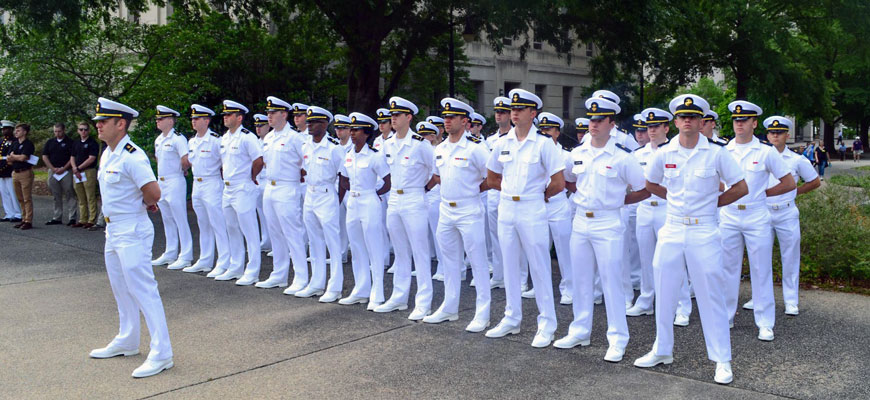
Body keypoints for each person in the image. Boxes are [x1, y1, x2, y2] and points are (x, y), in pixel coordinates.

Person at [633, 94, 747, 385]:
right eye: (683, 117)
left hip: (704, 230)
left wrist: (713, 203)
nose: (687, 121)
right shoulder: (664, 153)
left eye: (693, 117)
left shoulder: (716, 153)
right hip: (672, 228)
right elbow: (650, 184)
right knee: (664, 289)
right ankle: (662, 349)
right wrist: (672, 199)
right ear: (675, 121)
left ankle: (722, 359)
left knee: (711, 296)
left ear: (701, 122)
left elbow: (741, 186)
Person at [554, 97, 648, 363]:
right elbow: (569, 181)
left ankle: (618, 338)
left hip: (609, 222)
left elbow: (642, 188)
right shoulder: (578, 153)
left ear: (611, 123)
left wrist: (619, 202)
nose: (592, 124)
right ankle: (580, 330)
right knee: (581, 279)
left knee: (612, 281)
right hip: (582, 221)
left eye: (599, 120)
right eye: (591, 119)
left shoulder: (622, 157)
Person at [87, 97, 173, 378]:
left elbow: (154, 193)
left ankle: (162, 353)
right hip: (113, 230)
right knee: (120, 287)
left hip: (132, 229)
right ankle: (128, 338)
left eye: (103, 121)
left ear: (120, 124)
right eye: (98, 121)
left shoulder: (132, 155)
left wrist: (145, 204)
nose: (97, 125)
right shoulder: (108, 153)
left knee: (143, 290)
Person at [484, 88, 564, 348]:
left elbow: (558, 182)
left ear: (533, 113)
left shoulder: (543, 143)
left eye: (520, 109)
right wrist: (510, 193)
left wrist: (536, 195)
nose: (514, 112)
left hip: (532, 208)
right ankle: (511, 318)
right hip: (507, 207)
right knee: (508, 265)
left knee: (539, 267)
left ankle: (547, 323)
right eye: (512, 109)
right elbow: (492, 177)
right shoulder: (502, 142)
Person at [722, 100, 794, 342]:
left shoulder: (765, 151)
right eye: (736, 120)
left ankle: (765, 323)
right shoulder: (723, 150)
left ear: (754, 123)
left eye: (744, 120)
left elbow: (789, 182)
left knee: (761, 270)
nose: (739, 124)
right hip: (729, 215)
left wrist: (764, 193)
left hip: (756, 215)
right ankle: (726, 316)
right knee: (728, 269)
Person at [422, 98, 492, 332]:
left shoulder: (475, 148)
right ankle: (449, 307)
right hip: (445, 209)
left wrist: (472, 191)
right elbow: (438, 176)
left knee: (478, 262)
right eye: (445, 117)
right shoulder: (440, 149)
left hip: (469, 209)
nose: (447, 120)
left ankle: (483, 313)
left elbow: (490, 178)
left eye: (452, 117)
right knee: (449, 261)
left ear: (465, 121)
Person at [376, 97, 434, 320]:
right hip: (395, 200)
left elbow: (435, 171)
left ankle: (424, 302)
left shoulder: (420, 144)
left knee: (420, 253)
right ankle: (399, 298)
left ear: (409, 117)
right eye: (392, 115)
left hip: (413, 199)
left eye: (397, 115)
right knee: (400, 252)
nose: (393, 118)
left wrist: (424, 188)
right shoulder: (388, 144)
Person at [762, 116, 820, 316]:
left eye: (779, 133)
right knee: (760, 258)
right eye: (771, 132)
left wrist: (796, 192)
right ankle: (761, 297)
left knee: (790, 257)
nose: (774, 136)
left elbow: (814, 181)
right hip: (763, 212)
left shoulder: (796, 159)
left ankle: (791, 301)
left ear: (787, 135)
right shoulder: (760, 155)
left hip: (786, 211)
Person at [338, 112, 391, 309]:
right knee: (357, 248)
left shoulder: (375, 156)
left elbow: (388, 180)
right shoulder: (348, 155)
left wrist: (375, 192)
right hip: (353, 202)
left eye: (356, 130)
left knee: (374, 248)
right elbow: (343, 178)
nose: (352, 133)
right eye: (351, 129)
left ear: (366, 133)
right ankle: (361, 289)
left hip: (369, 200)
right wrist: (350, 192)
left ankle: (378, 292)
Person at [254, 96, 307, 290]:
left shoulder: (294, 137)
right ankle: (279, 274)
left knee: (293, 233)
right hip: (270, 186)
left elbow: (306, 163)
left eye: (273, 113)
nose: (269, 116)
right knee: (275, 233)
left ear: (284, 114)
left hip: (287, 187)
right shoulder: (268, 137)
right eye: (268, 113)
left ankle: (301, 277)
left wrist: (299, 176)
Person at [626, 108, 673, 319]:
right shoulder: (638, 154)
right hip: (645, 208)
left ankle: (679, 305)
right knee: (646, 259)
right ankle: (646, 300)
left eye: (656, 126)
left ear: (666, 128)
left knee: (670, 260)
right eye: (649, 127)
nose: (652, 130)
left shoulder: (674, 151)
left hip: (667, 208)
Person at [215, 100, 265, 284]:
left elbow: (259, 159)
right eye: (225, 115)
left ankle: (252, 272)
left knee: (249, 230)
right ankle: (235, 267)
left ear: (239, 117)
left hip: (243, 187)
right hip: (228, 188)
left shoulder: (247, 137)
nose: (225, 118)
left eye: (229, 115)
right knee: (232, 228)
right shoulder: (225, 138)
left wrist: (251, 176)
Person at [300, 106, 345, 302]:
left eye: (314, 122)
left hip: (327, 195)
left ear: (325, 124)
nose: (309, 125)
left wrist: (336, 199)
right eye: (308, 122)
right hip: (310, 195)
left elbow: (343, 177)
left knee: (333, 244)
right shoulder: (305, 145)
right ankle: (316, 283)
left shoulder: (334, 148)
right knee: (314, 241)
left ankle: (335, 287)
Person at [187, 104, 231, 275]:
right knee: (203, 224)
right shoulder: (192, 141)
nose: (193, 121)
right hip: (197, 184)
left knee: (218, 224)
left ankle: (224, 261)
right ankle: (205, 260)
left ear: (207, 120)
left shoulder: (215, 140)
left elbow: (224, 163)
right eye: (192, 119)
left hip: (212, 183)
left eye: (197, 119)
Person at [536, 112, 574, 305]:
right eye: (542, 129)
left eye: (549, 129)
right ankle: (540, 287)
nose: (545, 133)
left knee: (564, 250)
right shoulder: (535, 150)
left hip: (558, 204)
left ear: (557, 133)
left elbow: (570, 182)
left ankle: (569, 288)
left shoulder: (566, 155)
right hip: (538, 205)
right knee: (539, 248)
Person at [150, 106, 194, 270]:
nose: (157, 121)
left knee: (180, 218)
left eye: (160, 119)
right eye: (157, 119)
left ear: (170, 120)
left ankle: (186, 255)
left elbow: (185, 159)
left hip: (175, 180)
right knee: (167, 219)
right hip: (162, 181)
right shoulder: (159, 139)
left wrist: (182, 170)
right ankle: (170, 252)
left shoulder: (178, 138)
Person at [485, 96, 513, 290]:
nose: (499, 115)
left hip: (511, 192)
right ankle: (499, 274)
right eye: (497, 111)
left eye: (503, 112)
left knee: (512, 238)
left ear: (510, 115)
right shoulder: (490, 140)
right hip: (494, 192)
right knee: (495, 236)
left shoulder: (516, 137)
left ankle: (516, 277)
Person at [42, 122, 78, 226]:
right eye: (55, 131)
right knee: (56, 194)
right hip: (53, 171)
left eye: (59, 131)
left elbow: (72, 157)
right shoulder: (50, 142)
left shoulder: (70, 142)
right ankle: (57, 217)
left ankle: (72, 217)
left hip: (66, 171)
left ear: (64, 130)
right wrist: (52, 168)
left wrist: (64, 168)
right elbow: (45, 156)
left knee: (69, 193)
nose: (57, 133)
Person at [71, 122, 100, 228]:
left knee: (90, 196)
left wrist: (79, 168)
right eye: (81, 129)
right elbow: (72, 156)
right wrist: (74, 168)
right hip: (77, 172)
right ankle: (82, 219)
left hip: (88, 171)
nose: (83, 131)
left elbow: (91, 158)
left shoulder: (93, 143)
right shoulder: (76, 143)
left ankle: (91, 220)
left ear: (89, 131)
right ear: (78, 131)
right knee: (80, 196)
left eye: (85, 129)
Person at [334, 114, 354, 263]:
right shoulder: (334, 146)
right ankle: (341, 253)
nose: (339, 131)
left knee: (354, 224)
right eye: (337, 128)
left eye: (342, 128)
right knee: (340, 222)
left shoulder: (354, 146)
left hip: (352, 187)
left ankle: (356, 254)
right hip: (337, 186)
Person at [9, 123, 36, 230]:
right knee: (20, 198)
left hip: (25, 172)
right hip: (15, 172)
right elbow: (9, 159)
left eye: (18, 130)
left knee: (26, 198)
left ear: (25, 132)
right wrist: (15, 157)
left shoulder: (28, 144)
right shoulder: (15, 144)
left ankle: (28, 220)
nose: (16, 132)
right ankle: (23, 218)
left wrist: (14, 157)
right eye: (16, 130)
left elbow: (23, 158)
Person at [253, 113, 272, 254]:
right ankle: (265, 240)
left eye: (261, 125)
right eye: (257, 126)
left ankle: (272, 241)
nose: (258, 128)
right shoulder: (256, 142)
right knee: (261, 213)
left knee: (271, 214)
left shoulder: (271, 141)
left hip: (269, 180)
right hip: (258, 181)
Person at [0, 120, 22, 223]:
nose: (4, 131)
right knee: (4, 193)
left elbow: (10, 155)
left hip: (9, 168)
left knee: (12, 192)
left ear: (11, 130)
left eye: (6, 129)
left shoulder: (15, 141)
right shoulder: (1, 141)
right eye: (3, 129)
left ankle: (18, 213)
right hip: (1, 169)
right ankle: (9, 213)